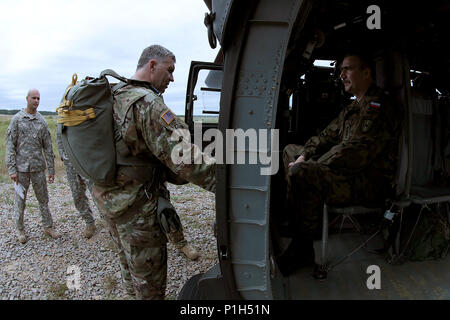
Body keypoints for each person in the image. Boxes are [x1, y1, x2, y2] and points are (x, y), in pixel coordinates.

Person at [91, 45, 215, 299]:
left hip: (111, 203)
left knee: (129, 270)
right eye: (169, 70)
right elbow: (187, 161)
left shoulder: (114, 94)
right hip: (138, 211)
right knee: (150, 288)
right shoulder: (147, 103)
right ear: (152, 66)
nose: (172, 78)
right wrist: (230, 183)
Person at [279, 53, 402, 276]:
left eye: (348, 69)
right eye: (341, 70)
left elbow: (356, 151)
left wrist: (312, 163)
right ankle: (299, 222)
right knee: (291, 152)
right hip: (346, 172)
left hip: (366, 183)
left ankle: (302, 247)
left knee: (302, 172)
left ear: (366, 73)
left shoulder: (379, 107)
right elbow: (326, 136)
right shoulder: (352, 108)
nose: (342, 75)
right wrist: (305, 154)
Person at [6, 88, 61, 244]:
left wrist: (51, 170)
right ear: (27, 98)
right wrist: (11, 169)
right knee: (20, 200)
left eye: (38, 98)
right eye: (33, 98)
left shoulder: (42, 122)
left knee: (43, 199)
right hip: (21, 169)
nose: (36, 101)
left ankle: (48, 226)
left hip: (38, 168)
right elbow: (10, 145)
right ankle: (20, 229)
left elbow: (48, 147)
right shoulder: (17, 119)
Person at [56, 129, 97, 239]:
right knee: (77, 195)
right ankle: (89, 222)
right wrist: (64, 156)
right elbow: (60, 137)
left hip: (87, 162)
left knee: (97, 193)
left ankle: (108, 222)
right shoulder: (63, 116)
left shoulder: (86, 114)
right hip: (71, 164)